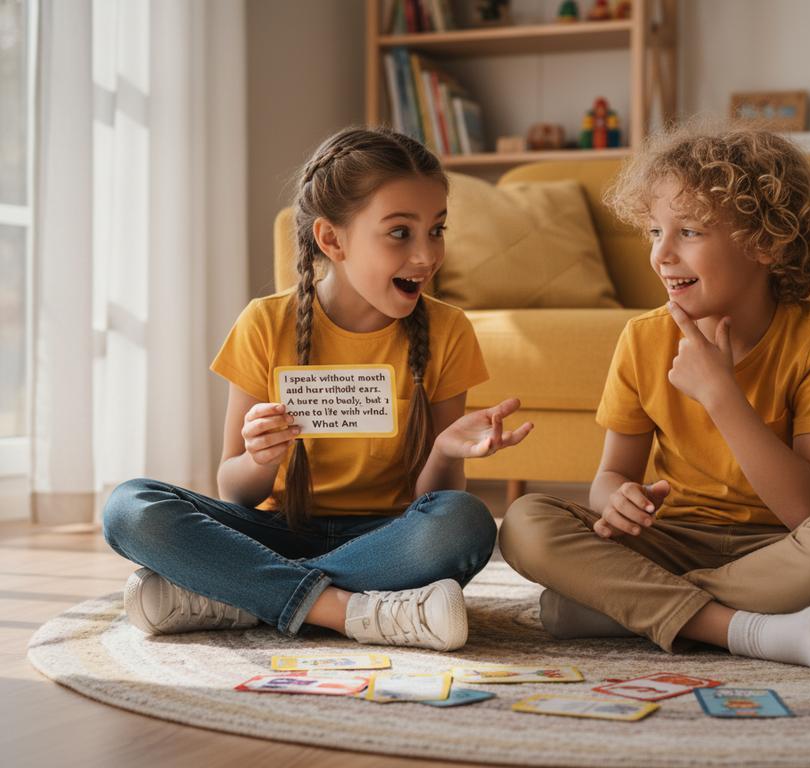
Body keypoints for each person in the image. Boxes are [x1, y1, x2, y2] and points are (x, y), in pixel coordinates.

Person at [103, 127, 532, 652]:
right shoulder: (264, 323)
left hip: (387, 540)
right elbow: (235, 492)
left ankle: (240, 595)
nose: (426, 255)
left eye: (437, 230)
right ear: (332, 240)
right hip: (276, 528)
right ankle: (347, 609)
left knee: (465, 522)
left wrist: (445, 450)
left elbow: (434, 503)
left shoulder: (448, 331)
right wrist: (261, 456)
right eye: (400, 233)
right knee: (129, 507)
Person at [498, 124, 810, 674]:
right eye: (655, 230)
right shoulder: (643, 338)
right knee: (524, 521)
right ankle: (742, 627)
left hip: (777, 550)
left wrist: (721, 394)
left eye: (689, 232)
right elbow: (610, 476)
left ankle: (623, 605)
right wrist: (618, 500)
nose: (661, 254)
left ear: (767, 241)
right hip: (670, 539)